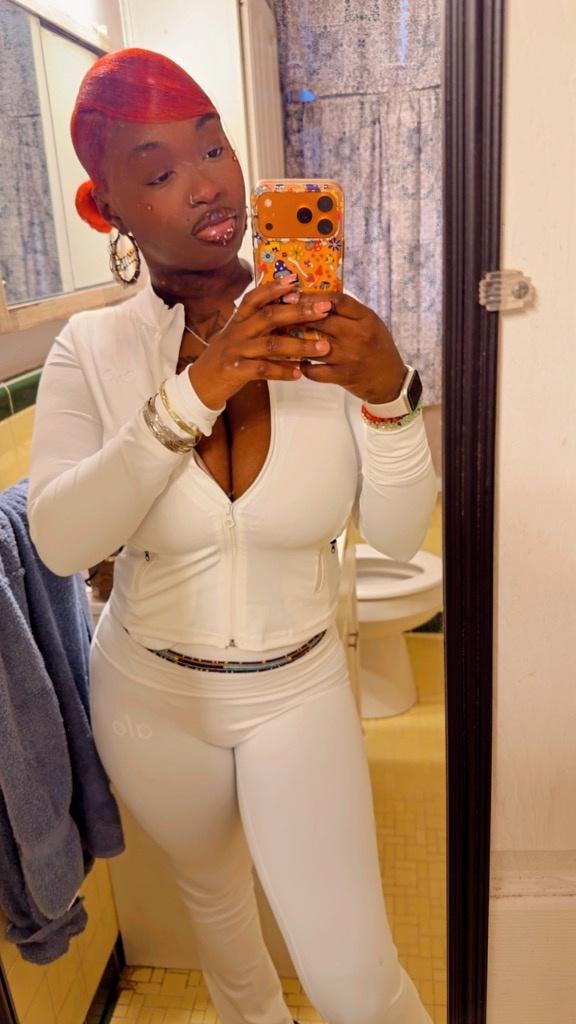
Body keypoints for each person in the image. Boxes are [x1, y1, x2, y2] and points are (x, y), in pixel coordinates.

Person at [27, 48, 437, 1024]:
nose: (206, 182)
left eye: (213, 148)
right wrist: (197, 391)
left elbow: (392, 536)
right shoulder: (92, 348)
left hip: (298, 689)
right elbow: (60, 539)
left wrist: (391, 395)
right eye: (160, 170)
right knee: (217, 907)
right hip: (148, 697)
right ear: (108, 208)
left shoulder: (326, 330)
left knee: (354, 980)